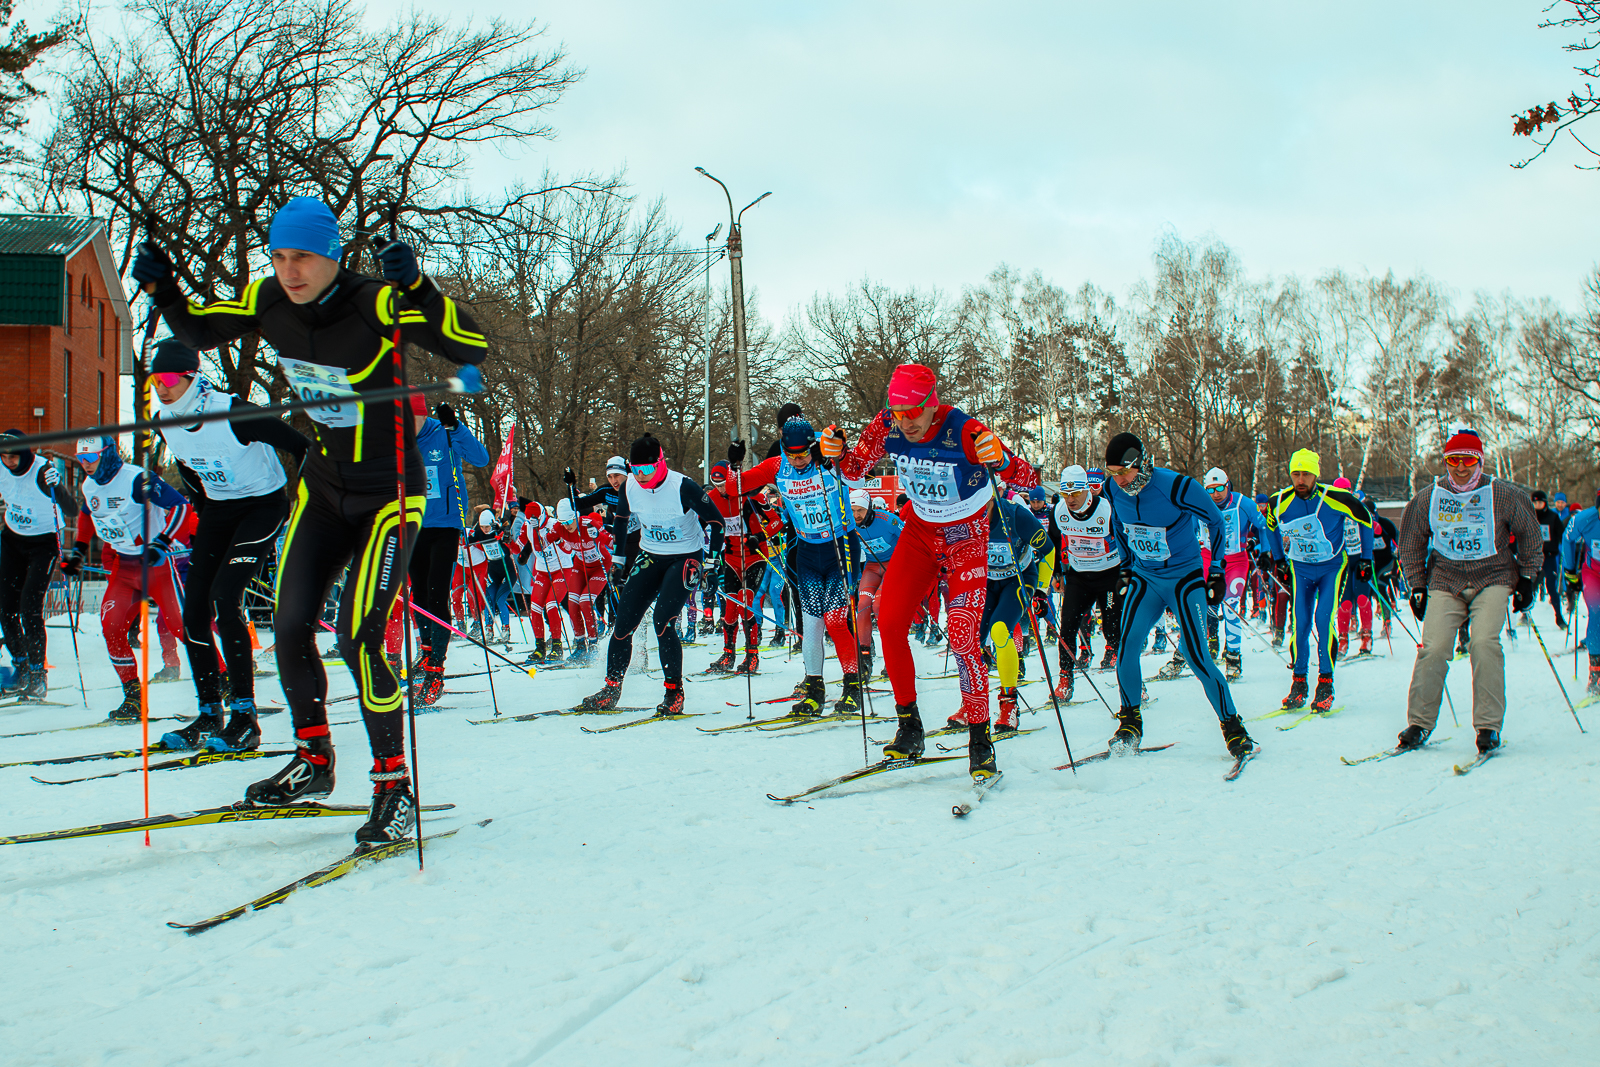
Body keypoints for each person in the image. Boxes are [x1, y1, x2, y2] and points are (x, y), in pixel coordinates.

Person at [134, 195, 487, 846]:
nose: (289, 270)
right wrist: (165, 288)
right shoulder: (268, 299)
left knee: (357, 634)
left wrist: (417, 286)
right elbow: (200, 331)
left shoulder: (372, 302)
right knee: (292, 623)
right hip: (325, 488)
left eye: (303, 257)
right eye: (278, 255)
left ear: (331, 256)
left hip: (390, 491)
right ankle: (315, 758)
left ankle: (393, 787)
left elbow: (469, 342)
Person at [821, 362, 1037, 781]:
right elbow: (850, 472)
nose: (906, 423)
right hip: (921, 533)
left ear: (931, 403)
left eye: (913, 413)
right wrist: (834, 450)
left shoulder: (967, 431)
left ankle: (980, 738)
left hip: (967, 535)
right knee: (890, 619)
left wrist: (1003, 462)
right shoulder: (888, 424)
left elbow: (1028, 477)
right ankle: (909, 726)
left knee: (960, 632)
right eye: (898, 413)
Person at [144, 340, 309, 749]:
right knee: (194, 610)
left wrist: (313, 501)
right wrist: (202, 507)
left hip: (263, 505)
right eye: (155, 380)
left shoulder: (234, 412)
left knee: (224, 598)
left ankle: (245, 717)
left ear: (191, 378)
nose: (161, 387)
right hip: (220, 510)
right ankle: (207, 714)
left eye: (168, 379)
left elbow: (302, 447)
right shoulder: (162, 418)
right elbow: (185, 464)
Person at [1097, 432, 1252, 759]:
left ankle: (1233, 727)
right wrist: (1125, 566)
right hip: (1145, 577)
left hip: (1184, 578)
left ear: (1141, 464)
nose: (1120, 480)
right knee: (1126, 647)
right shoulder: (1112, 488)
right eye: (1113, 473)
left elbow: (1215, 521)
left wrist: (1218, 570)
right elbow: (1119, 526)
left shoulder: (1176, 486)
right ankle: (1129, 724)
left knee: (1197, 655)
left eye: (1124, 472)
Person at [1398, 427, 1541, 752]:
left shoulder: (1503, 494)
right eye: (1453, 460)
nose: (1460, 468)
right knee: (1433, 648)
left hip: (1493, 575)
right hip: (1446, 577)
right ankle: (1418, 723)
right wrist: (1417, 585)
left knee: (1484, 642)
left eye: (1467, 460)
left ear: (1479, 461)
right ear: (1445, 461)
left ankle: (1488, 727)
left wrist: (1529, 577)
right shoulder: (1428, 497)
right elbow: (1410, 542)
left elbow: (1531, 535)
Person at [579, 434, 724, 714]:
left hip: (685, 557)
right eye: (636, 469)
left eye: (647, 469)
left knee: (662, 621)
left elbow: (716, 522)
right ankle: (611, 688)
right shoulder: (630, 486)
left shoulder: (683, 486)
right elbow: (620, 522)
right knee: (623, 623)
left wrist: (711, 564)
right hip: (650, 555)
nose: (642, 476)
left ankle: (674, 693)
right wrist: (618, 561)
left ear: (661, 463)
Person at [730, 419, 863, 716]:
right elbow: (733, 488)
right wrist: (734, 464)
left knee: (837, 620)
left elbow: (858, 472)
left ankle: (853, 686)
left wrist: (842, 451)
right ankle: (815, 689)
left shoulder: (828, 458)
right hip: (807, 550)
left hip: (840, 546)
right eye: (792, 454)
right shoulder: (777, 466)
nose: (798, 460)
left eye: (803, 453)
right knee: (812, 624)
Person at [58, 438, 186, 720]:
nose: (86, 464)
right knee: (111, 628)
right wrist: (78, 551)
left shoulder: (135, 479)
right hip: (124, 568)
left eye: (91, 457)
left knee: (182, 627)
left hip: (156, 567)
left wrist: (162, 543)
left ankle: (224, 679)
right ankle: (133, 697)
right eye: (81, 458)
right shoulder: (89, 485)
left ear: (107, 454)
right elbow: (86, 514)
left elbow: (179, 506)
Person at [1263, 451, 1371, 711]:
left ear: (1316, 474)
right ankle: (1299, 682)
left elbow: (1365, 518)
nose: (1301, 480)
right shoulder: (1279, 501)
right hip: (1300, 569)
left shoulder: (1336, 498)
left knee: (1324, 620)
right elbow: (1270, 526)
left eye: (1306, 474)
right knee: (1300, 624)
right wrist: (1278, 560)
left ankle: (1326, 682)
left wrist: (1366, 558)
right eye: (1296, 474)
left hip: (1331, 568)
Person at [408, 395, 488, 703]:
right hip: (411, 524)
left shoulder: (443, 431)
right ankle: (427, 652)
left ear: (422, 415)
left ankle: (436, 672)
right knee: (419, 596)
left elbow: (480, 458)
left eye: (410, 419)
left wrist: (456, 427)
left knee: (437, 593)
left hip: (444, 524)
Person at [0, 431, 76, 700]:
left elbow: (72, 510)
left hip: (43, 542)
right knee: (5, 608)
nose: (9, 462)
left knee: (28, 608)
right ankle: (20, 667)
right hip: (12, 538)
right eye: (5, 456)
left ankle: (37, 675)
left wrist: (59, 487)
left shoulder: (42, 470)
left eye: (14, 456)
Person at [970, 486, 1046, 735]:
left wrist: (1042, 591)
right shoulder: (965, 516)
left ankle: (1008, 704)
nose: (976, 509)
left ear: (992, 498)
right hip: (987, 580)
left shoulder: (1016, 515)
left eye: (981, 503)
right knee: (971, 639)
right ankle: (972, 702)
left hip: (1019, 578)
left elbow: (1048, 549)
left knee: (1000, 630)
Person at [1046, 464, 1125, 700]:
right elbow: (1053, 540)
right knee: (1067, 626)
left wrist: (1128, 573)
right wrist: (1056, 573)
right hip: (1080, 576)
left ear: (1088, 491)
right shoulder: (1058, 510)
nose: (1070, 499)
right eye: (1066, 494)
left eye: (1075, 494)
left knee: (1114, 630)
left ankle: (1129, 681)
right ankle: (1065, 679)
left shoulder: (1107, 509)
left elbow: (1125, 539)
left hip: (1109, 575)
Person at [1202, 467, 1268, 680]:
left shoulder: (1243, 503)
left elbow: (1263, 527)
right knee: (1201, 605)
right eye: (1210, 490)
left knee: (1230, 606)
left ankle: (1233, 656)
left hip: (1236, 560)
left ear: (1228, 484)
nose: (1216, 494)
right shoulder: (1201, 504)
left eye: (1220, 488)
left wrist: (1261, 548)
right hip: (1208, 560)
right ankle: (1200, 650)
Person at [551, 495, 610, 664]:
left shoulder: (588, 523)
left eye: (569, 521)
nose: (567, 526)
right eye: (563, 522)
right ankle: (580, 645)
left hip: (600, 566)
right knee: (572, 603)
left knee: (585, 602)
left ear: (576, 516)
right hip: (580, 566)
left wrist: (600, 534)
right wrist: (555, 541)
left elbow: (611, 541)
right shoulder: (561, 528)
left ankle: (593, 644)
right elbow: (566, 550)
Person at [852, 487, 903, 681]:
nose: (856, 515)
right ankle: (865, 658)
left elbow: (909, 537)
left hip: (894, 565)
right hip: (873, 566)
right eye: (853, 510)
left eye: (861, 511)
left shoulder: (887, 520)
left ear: (869, 509)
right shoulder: (849, 522)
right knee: (863, 605)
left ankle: (892, 657)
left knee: (879, 606)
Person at [1558, 489, 1600, 693]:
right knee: (1596, 613)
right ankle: (1596, 672)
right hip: (1594, 573)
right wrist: (1569, 571)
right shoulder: (1584, 518)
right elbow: (1567, 539)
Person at [1530, 490, 1567, 628]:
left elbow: (1562, 535)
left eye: (1540, 502)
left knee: (1551, 587)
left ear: (1545, 503)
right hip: (1534, 557)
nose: (1537, 505)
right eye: (1535, 503)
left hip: (1550, 557)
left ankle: (1559, 617)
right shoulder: (1530, 516)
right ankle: (1525, 614)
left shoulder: (1553, 517)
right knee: (1529, 586)